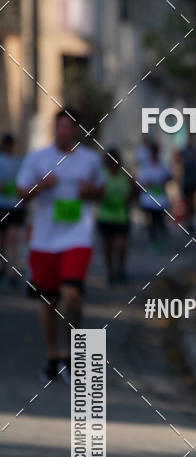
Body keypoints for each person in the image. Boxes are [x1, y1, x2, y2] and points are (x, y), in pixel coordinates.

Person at [16, 108, 105, 383]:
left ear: (76, 130)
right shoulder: (38, 158)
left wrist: (89, 191)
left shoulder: (89, 160)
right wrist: (41, 186)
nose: (64, 132)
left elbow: (102, 189)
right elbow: (21, 193)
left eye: (69, 128)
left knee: (72, 295)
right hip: (44, 239)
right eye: (60, 127)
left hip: (77, 237)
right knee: (49, 301)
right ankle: (53, 356)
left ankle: (72, 354)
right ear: (54, 129)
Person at [96, 148, 133, 284]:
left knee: (121, 245)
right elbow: (96, 194)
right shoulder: (102, 175)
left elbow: (132, 193)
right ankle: (110, 272)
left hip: (121, 217)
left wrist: (128, 199)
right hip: (105, 217)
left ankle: (121, 269)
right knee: (107, 247)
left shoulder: (125, 175)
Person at [0, 133, 25, 285]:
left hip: (13, 205)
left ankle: (11, 270)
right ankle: (10, 269)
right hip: (9, 205)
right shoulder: (19, 161)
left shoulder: (19, 161)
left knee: (10, 239)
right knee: (9, 240)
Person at [136, 142, 171, 246]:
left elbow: (168, 177)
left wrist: (162, 182)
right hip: (148, 199)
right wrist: (147, 183)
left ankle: (161, 235)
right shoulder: (146, 166)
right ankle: (153, 240)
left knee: (158, 219)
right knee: (151, 220)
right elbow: (139, 182)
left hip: (160, 198)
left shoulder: (162, 164)